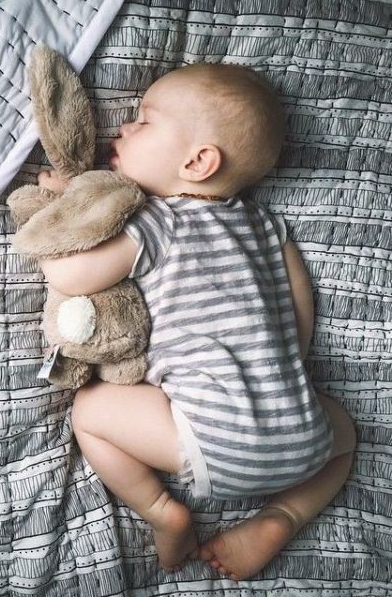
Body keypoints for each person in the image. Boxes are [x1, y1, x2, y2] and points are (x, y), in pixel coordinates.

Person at [37, 63, 356, 581]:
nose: (124, 127)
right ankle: (285, 514)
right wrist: (284, 364)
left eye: (144, 121)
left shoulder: (156, 221)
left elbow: (71, 275)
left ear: (198, 161)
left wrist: (61, 206)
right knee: (344, 433)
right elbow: (302, 308)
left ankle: (161, 510)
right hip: (300, 431)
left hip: (212, 439)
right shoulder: (265, 224)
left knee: (89, 409)